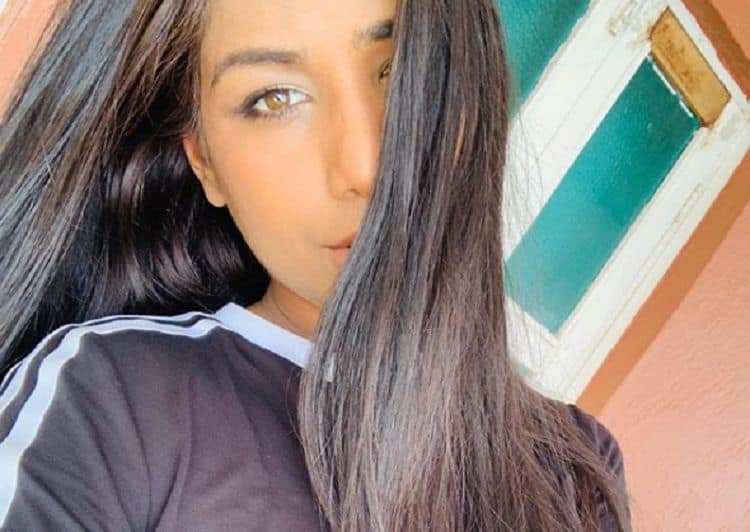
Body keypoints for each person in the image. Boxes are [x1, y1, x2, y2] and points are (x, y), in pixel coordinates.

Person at [0, 0, 632, 530]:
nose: (365, 167)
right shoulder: (109, 403)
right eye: (274, 97)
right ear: (205, 163)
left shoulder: (575, 467)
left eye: (401, 70)